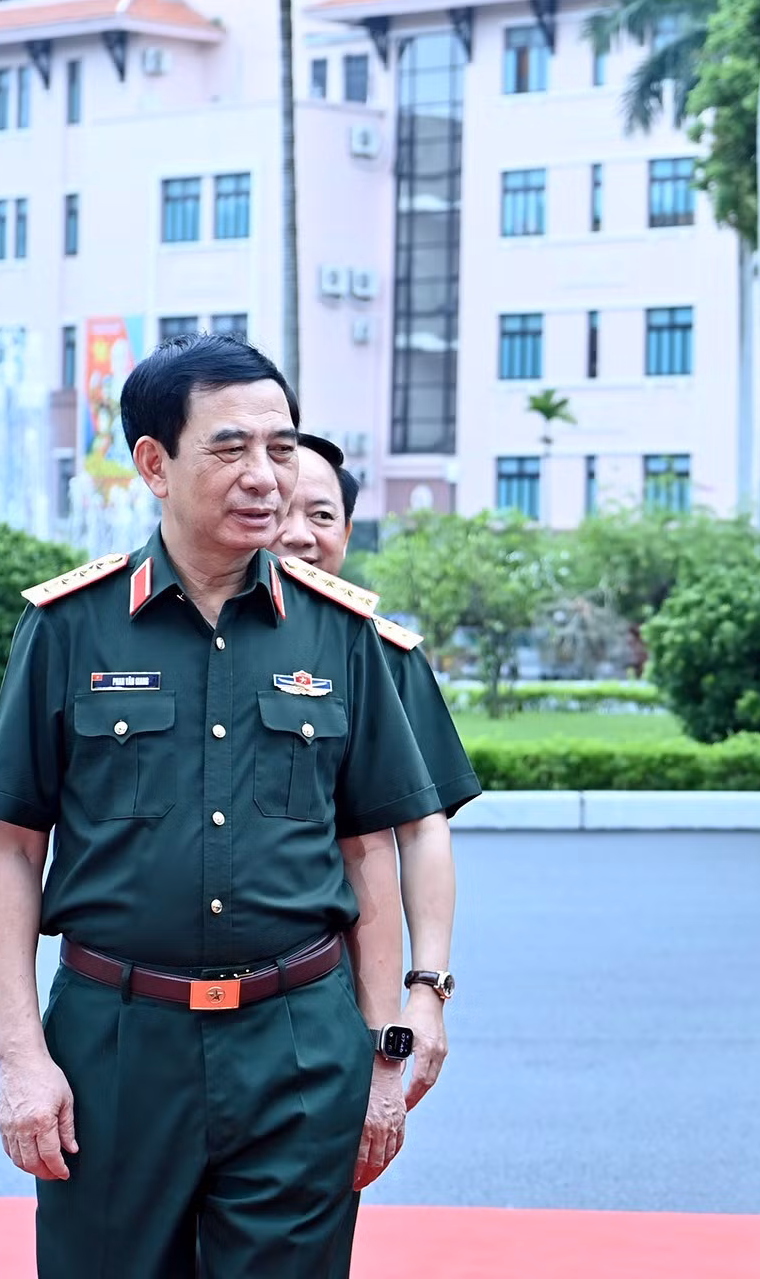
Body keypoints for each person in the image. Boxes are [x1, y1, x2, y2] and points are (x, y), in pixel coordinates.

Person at [0, 333, 441, 1278]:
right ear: (154, 462)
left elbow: (371, 851)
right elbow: (11, 848)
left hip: (298, 1043)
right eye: (231, 449)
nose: (265, 476)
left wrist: (383, 1054)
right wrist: (22, 1060)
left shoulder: (341, 632)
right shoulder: (68, 627)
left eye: (280, 446)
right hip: (113, 1044)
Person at [274, 433, 476, 1276]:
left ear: (348, 533)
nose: (295, 532)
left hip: (321, 998)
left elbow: (421, 829)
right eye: (279, 510)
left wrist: (422, 993)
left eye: (321, 515)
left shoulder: (379, 654)